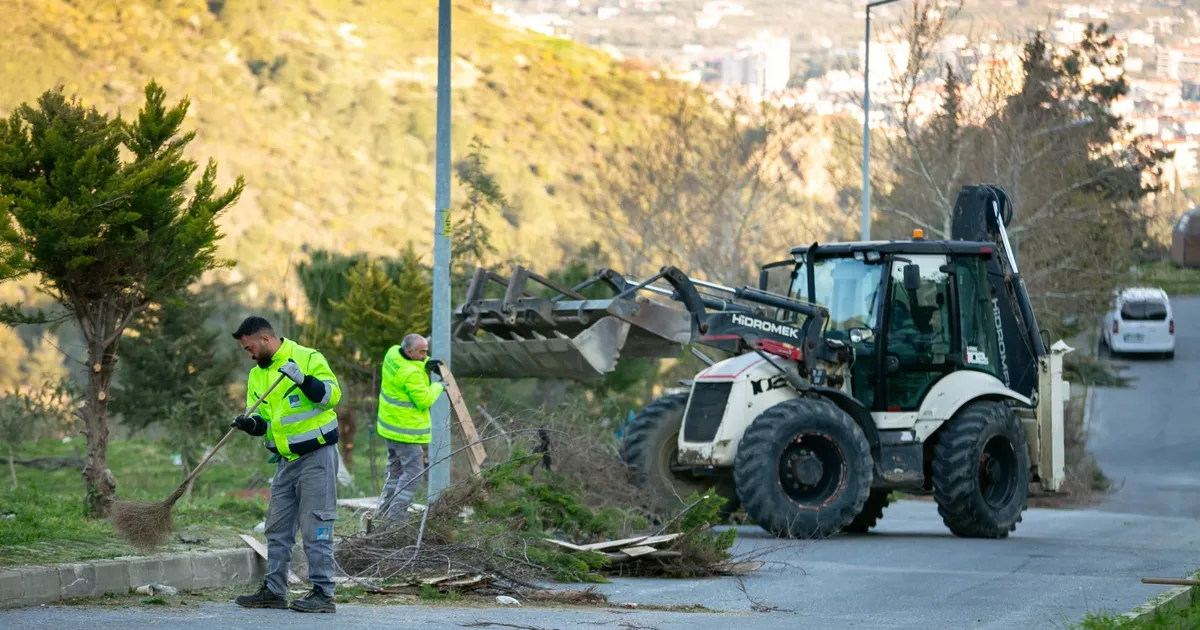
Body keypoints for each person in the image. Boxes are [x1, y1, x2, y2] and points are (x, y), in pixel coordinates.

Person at [228, 316, 342, 614]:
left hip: (317, 456)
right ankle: (274, 591)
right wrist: (250, 424)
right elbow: (265, 422)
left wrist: (303, 380)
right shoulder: (257, 376)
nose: (250, 354)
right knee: (277, 528)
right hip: (285, 461)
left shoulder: (308, 358)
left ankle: (323, 594)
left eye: (250, 348)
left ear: (265, 339)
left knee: (316, 525)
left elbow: (331, 397)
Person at [375, 333, 445, 522]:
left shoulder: (392, 353)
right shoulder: (412, 374)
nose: (425, 355)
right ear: (409, 351)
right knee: (414, 473)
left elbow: (411, 363)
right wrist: (440, 386)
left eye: (426, 352)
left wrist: (427, 362)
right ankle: (397, 517)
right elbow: (424, 400)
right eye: (422, 353)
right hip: (406, 433)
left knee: (395, 471)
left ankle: (385, 512)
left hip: (389, 428)